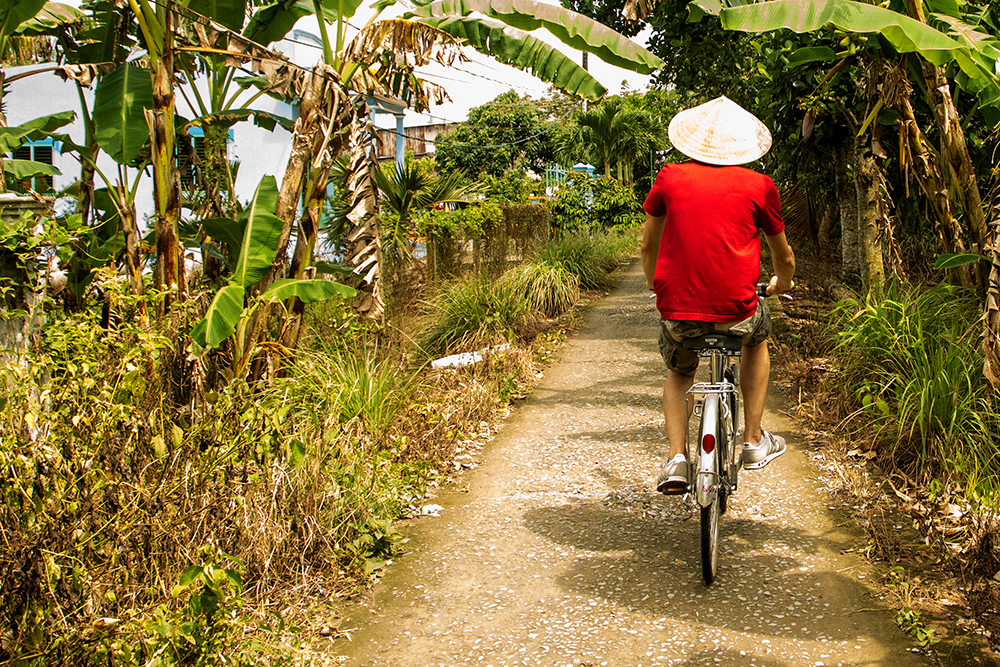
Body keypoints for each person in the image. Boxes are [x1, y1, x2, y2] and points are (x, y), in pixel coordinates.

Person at [639, 96, 796, 495]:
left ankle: (677, 459)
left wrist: (655, 285)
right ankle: (752, 440)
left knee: (679, 372)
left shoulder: (669, 178)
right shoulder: (759, 185)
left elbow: (647, 247)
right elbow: (785, 257)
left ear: (693, 142)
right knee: (757, 340)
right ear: (741, 146)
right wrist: (783, 282)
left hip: (679, 310)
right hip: (736, 310)